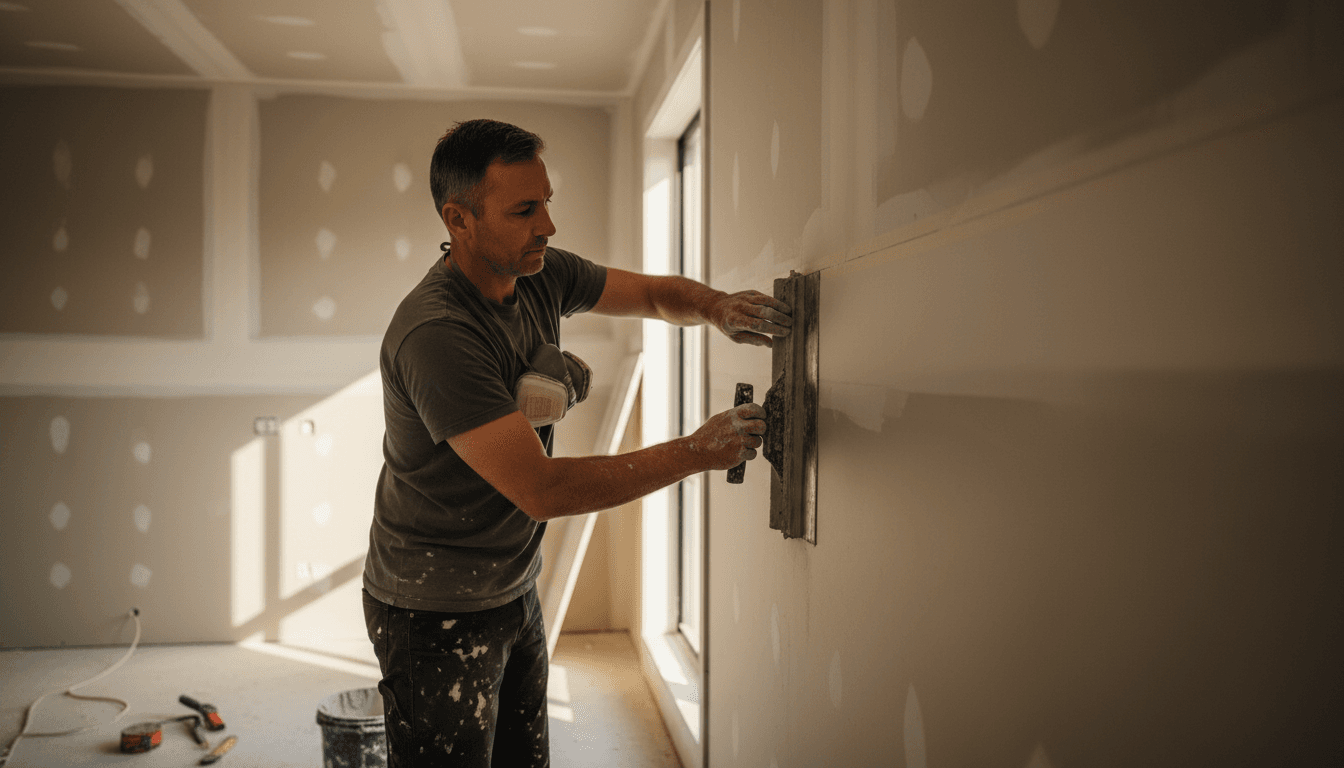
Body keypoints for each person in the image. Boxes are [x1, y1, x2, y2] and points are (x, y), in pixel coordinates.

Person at [361, 118, 791, 767]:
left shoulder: (539, 274)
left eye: (547, 203)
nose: (548, 227)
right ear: (459, 219)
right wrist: (696, 451)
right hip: (434, 613)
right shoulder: (438, 334)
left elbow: (648, 293)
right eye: (525, 209)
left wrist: (716, 307)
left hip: (512, 584)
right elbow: (542, 490)